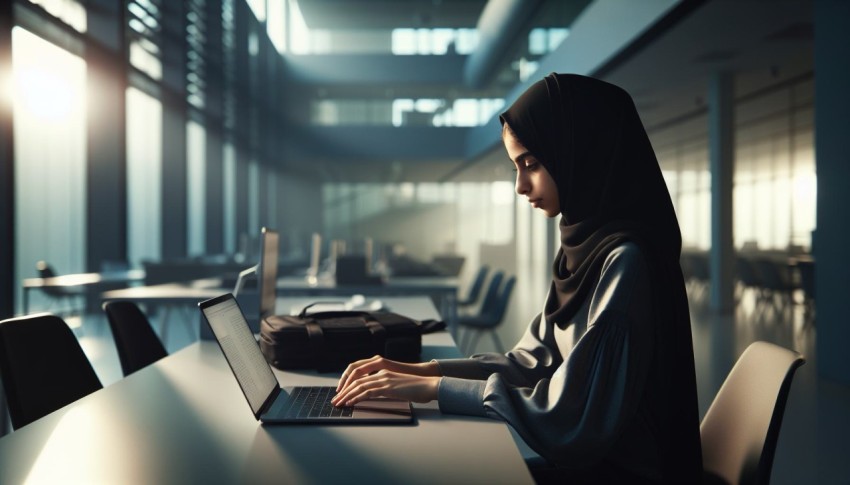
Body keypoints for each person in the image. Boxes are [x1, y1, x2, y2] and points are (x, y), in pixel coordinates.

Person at [332, 73, 703, 484]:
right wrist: (422, 372)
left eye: (531, 165)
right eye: (516, 167)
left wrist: (436, 390)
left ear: (580, 153)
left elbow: (571, 417)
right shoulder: (582, 250)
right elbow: (533, 361)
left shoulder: (626, 262)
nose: (520, 186)